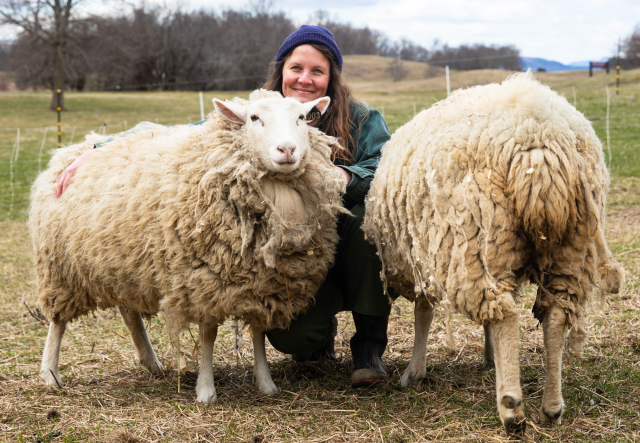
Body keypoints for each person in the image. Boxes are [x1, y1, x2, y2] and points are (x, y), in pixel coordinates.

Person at [54, 25, 396, 388]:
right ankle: (317, 335)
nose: (305, 79)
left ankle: (368, 347)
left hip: (348, 249)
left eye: (318, 71)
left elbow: (385, 167)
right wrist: (102, 148)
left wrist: (343, 176)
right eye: (296, 68)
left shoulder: (360, 118)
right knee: (297, 339)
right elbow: (179, 129)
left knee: (364, 219)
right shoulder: (254, 112)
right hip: (293, 255)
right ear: (282, 70)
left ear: (331, 77)